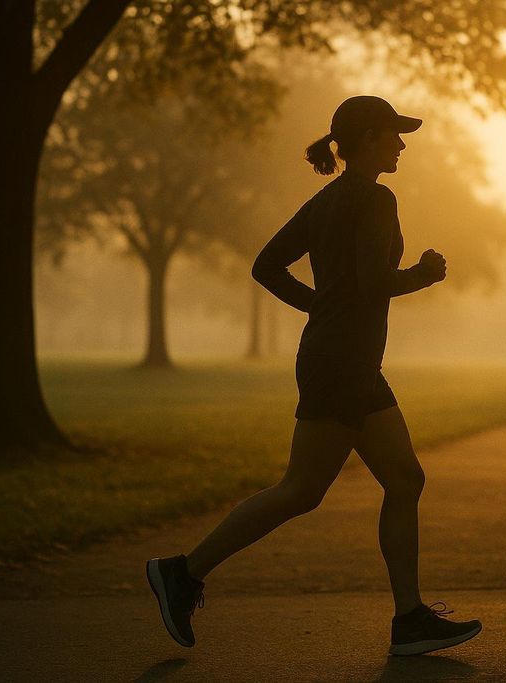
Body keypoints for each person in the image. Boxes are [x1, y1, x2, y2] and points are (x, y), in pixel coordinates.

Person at [146, 95, 482, 657]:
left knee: (403, 481)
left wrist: (318, 308)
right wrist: (423, 274)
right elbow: (371, 283)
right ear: (370, 137)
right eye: (394, 134)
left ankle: (411, 619)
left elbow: (266, 266)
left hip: (342, 359)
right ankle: (183, 572)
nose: (401, 145)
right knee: (301, 490)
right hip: (343, 364)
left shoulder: (326, 201)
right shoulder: (376, 199)